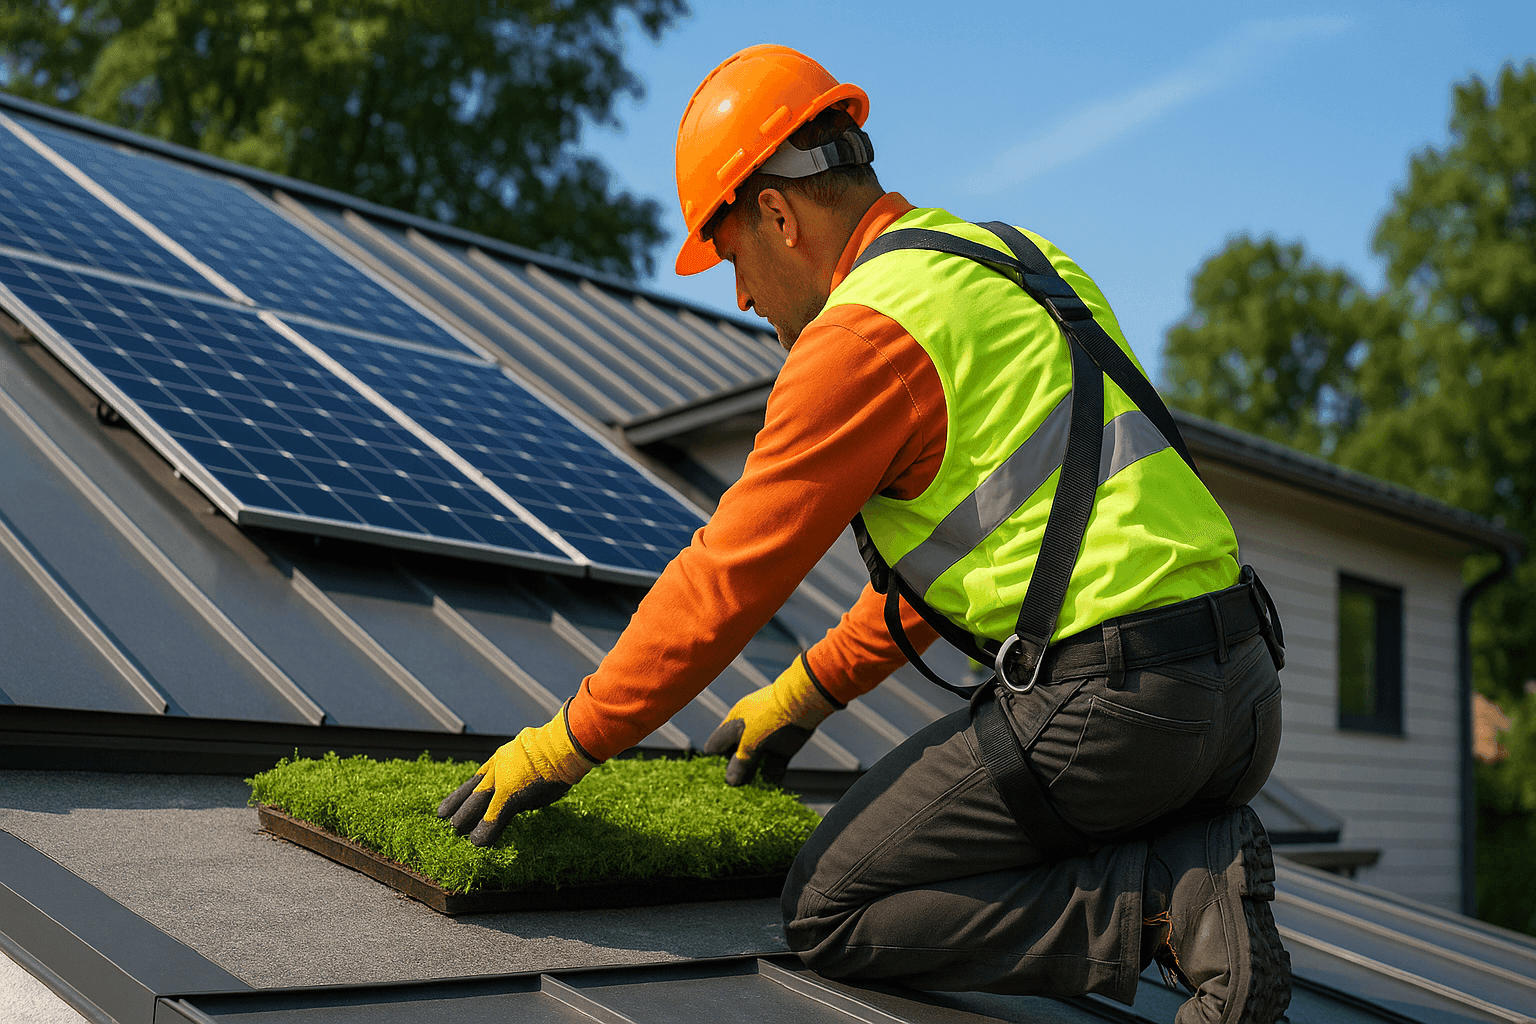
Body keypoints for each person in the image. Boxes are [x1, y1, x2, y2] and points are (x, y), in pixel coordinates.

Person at [436, 43, 1292, 1024]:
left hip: (1121, 716)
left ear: (777, 214)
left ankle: (1167, 905)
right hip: (1242, 699)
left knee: (832, 907)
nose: (742, 297)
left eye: (731, 260)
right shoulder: (1016, 260)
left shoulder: (860, 337)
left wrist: (565, 743)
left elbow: (726, 578)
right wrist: (806, 690)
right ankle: (1195, 863)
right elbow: (999, 552)